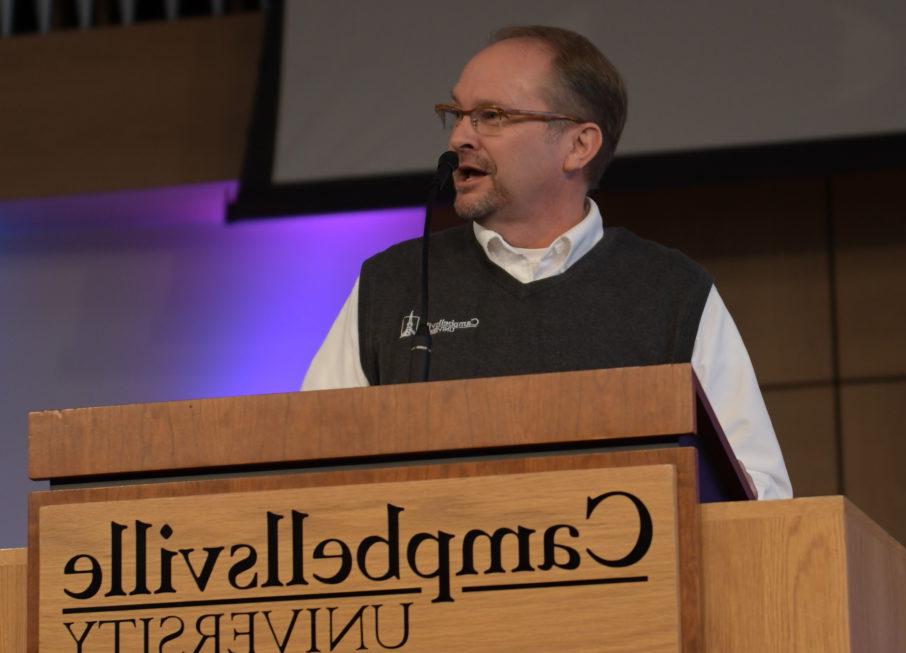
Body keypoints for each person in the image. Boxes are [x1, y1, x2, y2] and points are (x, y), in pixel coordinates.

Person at [302, 25, 792, 500]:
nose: (459, 139)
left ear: (578, 145)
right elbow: (305, 468)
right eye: (458, 114)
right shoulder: (391, 285)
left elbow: (758, 499)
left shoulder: (672, 292)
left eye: (490, 115)